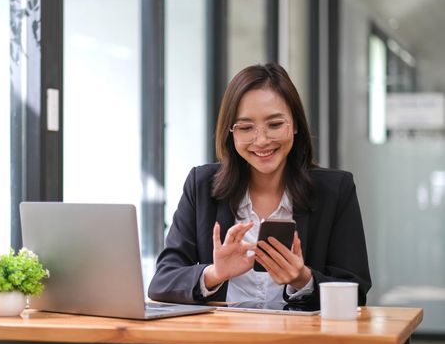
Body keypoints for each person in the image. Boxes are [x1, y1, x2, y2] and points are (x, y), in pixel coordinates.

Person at [148, 62, 371, 308]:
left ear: (295, 125)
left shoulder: (336, 191)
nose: (262, 140)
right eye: (246, 127)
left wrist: (302, 279)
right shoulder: (200, 186)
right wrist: (214, 273)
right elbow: (162, 282)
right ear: (231, 133)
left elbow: (356, 292)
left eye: (275, 124)